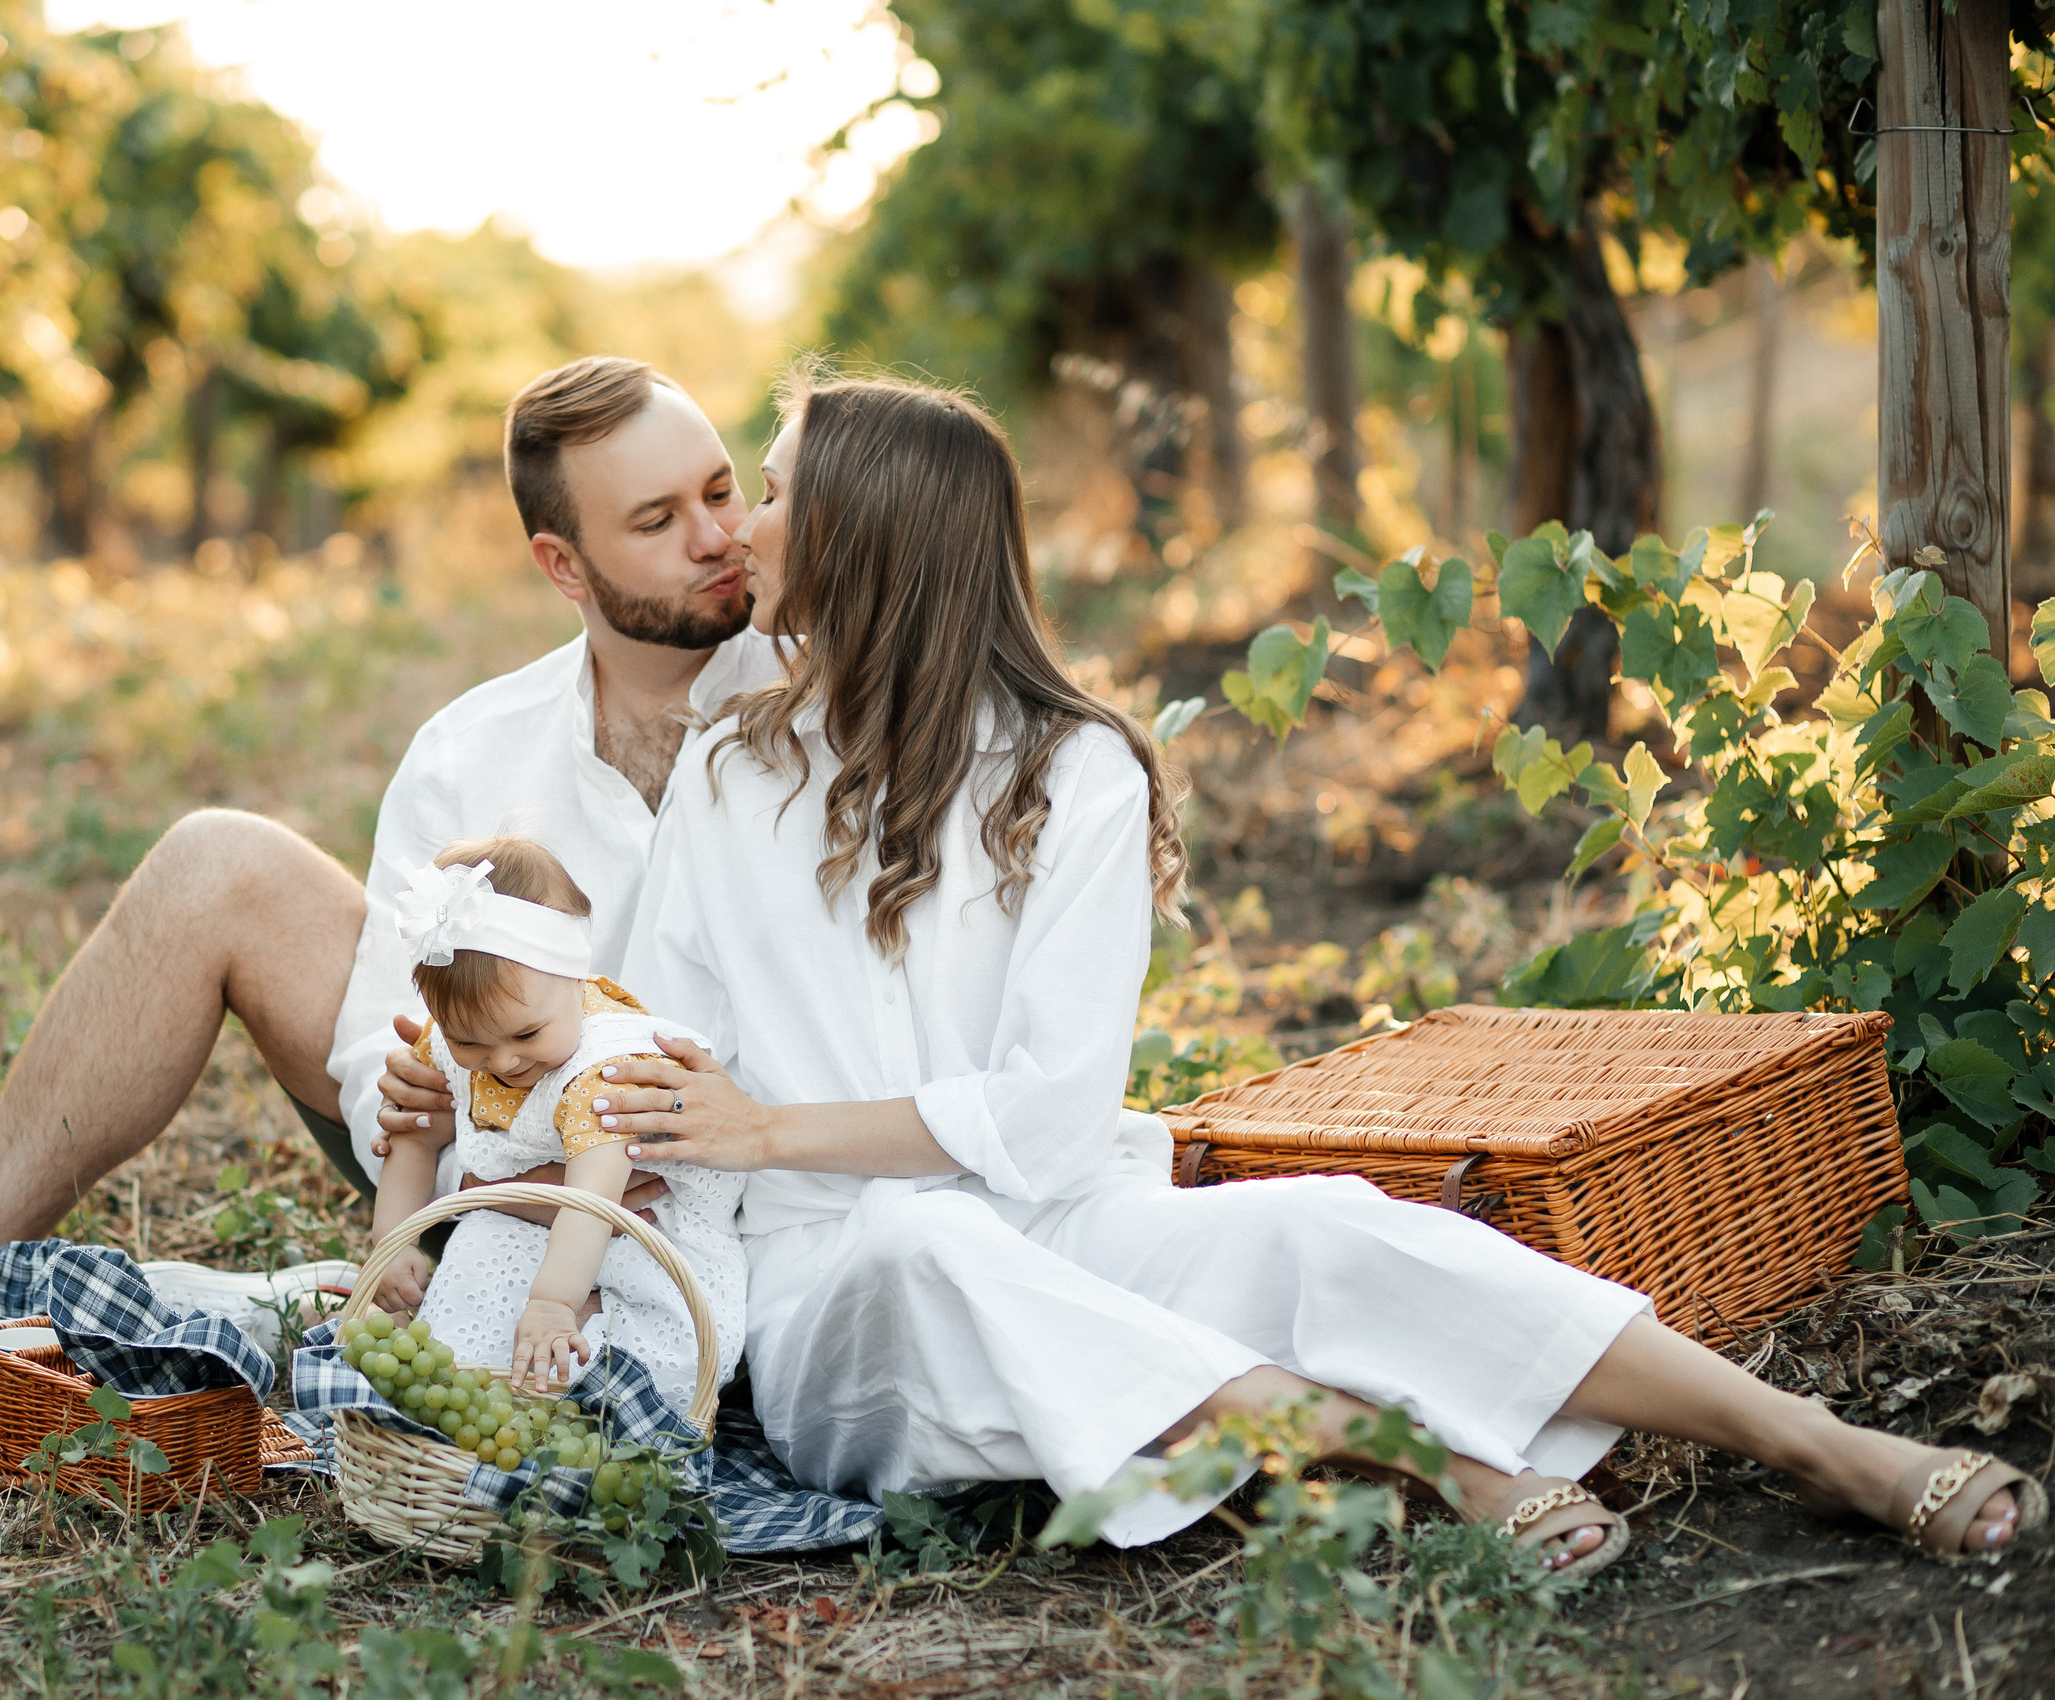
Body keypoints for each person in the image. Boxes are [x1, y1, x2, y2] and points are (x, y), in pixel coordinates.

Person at [596, 371, 2044, 1570]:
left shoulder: (1071, 767)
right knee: (929, 1244)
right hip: (835, 1292)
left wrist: (768, 1121)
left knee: (1328, 1227)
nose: (743, 525)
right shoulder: (731, 771)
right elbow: (655, 1047)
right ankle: (1422, 1457)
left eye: (771, 489)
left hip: (1059, 1213)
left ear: (870, 537)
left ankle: (1817, 1440)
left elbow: (1044, 1117)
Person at [0, 356, 777, 1411]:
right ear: (563, 566)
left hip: (728, 1182)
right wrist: (504, 1162)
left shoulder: (830, 704)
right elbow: (382, 1039)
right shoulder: (471, 751)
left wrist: (668, 1150)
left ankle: (379, 1301)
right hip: (481, 1160)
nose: (715, 538)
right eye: (656, 521)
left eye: (721, 492)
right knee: (216, 861)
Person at [365, 835, 742, 1415]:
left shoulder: (605, 1070)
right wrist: (393, 1242)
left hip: (645, 1230)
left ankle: (589, 1387)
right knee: (462, 1324)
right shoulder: (451, 1041)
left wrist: (553, 1304)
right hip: (526, 1222)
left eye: (526, 1035)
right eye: (469, 1041)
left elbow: (592, 1198)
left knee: (625, 1352)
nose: (505, 1062)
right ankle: (484, 1405)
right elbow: (413, 1139)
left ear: (572, 977)